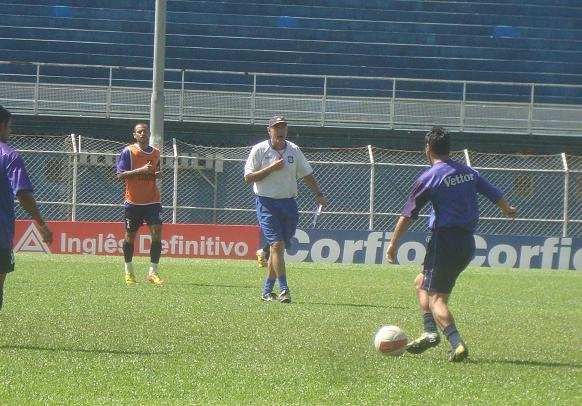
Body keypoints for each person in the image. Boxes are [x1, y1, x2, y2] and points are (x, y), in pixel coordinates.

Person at [385, 127, 517, 362]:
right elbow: (493, 192)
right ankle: (429, 332)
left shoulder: (429, 177)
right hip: (466, 243)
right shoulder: (468, 172)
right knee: (421, 281)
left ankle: (456, 343)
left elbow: (407, 215)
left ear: (427, 149)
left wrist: (393, 245)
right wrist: (507, 208)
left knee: (437, 299)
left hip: (443, 241)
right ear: (450, 149)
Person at [244, 114, 328, 303]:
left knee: (278, 249)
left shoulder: (294, 150)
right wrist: (271, 168)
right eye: (276, 127)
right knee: (277, 245)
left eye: (283, 127)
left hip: (289, 204)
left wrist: (318, 193)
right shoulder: (259, 150)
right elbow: (248, 178)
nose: (280, 130)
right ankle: (284, 289)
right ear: (269, 131)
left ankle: (267, 290)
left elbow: (307, 174)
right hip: (266, 202)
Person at [0, 105, 53, 310]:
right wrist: (40, 223)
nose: (10, 132)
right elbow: (22, 193)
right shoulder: (9, 156)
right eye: (9, 127)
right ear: (2, 126)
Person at [116, 123, 164, 287]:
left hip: (152, 200)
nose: (143, 134)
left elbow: (155, 170)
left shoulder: (156, 153)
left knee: (157, 232)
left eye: (145, 131)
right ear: (134, 135)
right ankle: (129, 271)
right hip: (133, 202)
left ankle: (153, 272)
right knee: (130, 236)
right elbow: (120, 175)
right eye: (139, 132)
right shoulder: (128, 151)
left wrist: (156, 174)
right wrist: (141, 170)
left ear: (149, 134)